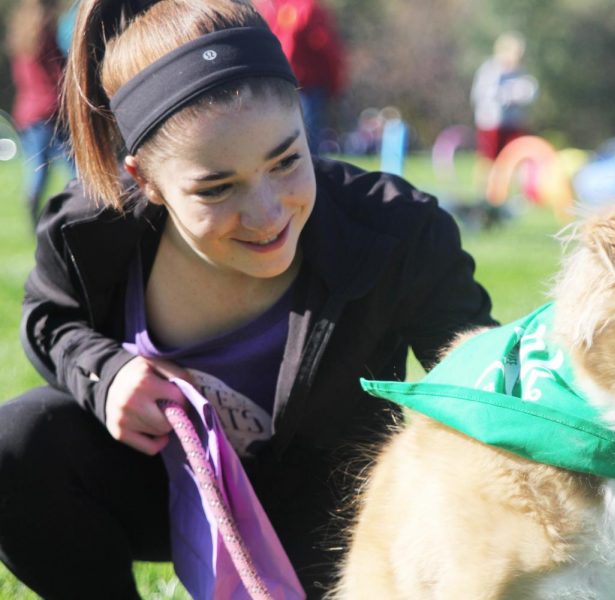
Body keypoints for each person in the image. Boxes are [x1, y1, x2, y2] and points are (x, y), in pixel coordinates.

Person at [0, 1, 494, 598]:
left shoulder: (397, 232)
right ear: (146, 179)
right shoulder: (90, 231)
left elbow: (481, 382)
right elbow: (49, 318)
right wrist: (107, 374)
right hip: (160, 488)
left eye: (286, 160)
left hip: (334, 522)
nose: (266, 214)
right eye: (216, 187)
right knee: (17, 443)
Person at [5, 0, 75, 227]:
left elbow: (20, 77)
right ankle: (85, 204)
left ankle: (33, 207)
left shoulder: (22, 33)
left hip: (28, 111)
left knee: (37, 168)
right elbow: (57, 72)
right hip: (50, 109)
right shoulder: (46, 31)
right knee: (75, 167)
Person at [255, 0, 346, 155]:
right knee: (306, 144)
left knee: (282, 144)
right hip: (304, 88)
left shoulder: (266, 8)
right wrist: (334, 84)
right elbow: (328, 50)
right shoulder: (307, 7)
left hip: (278, 86)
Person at [470, 31, 538, 162]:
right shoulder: (490, 70)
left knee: (513, 157)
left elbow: (530, 91)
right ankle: (486, 182)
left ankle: (505, 182)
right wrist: (506, 97)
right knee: (489, 159)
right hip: (491, 123)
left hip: (513, 122)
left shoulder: (520, 72)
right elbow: (482, 95)